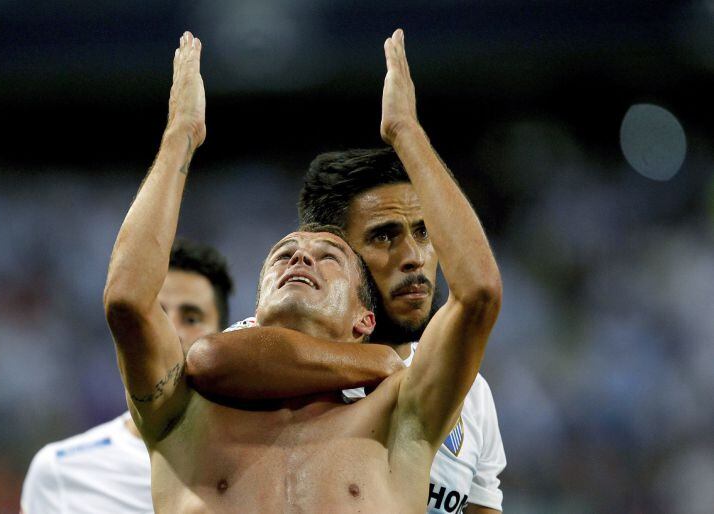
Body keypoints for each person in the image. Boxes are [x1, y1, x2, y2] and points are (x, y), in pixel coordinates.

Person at [104, 29, 501, 512]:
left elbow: (478, 293)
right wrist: (179, 136)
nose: (301, 256)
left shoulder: (403, 412)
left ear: (364, 318)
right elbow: (127, 301)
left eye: (328, 257)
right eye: (282, 254)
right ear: (256, 309)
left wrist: (408, 133)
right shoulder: (184, 410)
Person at [20, 239, 233, 514]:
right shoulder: (61, 472)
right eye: (158, 315)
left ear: (221, 337)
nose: (173, 333)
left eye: (191, 318)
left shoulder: (254, 464)